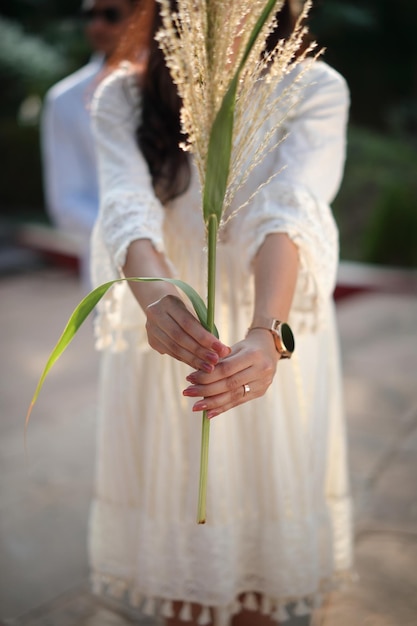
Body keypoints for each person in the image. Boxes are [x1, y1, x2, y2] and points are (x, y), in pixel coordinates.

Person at [88, 1, 353, 625]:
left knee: (261, 584)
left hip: (266, 332)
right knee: (186, 576)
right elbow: (125, 204)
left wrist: (267, 334)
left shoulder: (312, 85)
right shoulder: (123, 95)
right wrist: (159, 301)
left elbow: (289, 213)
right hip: (173, 340)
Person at [40, 0, 137, 285]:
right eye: (89, 15)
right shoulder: (65, 99)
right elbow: (67, 203)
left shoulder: (173, 86)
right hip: (111, 273)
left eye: (110, 15)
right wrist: (138, 241)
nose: (97, 25)